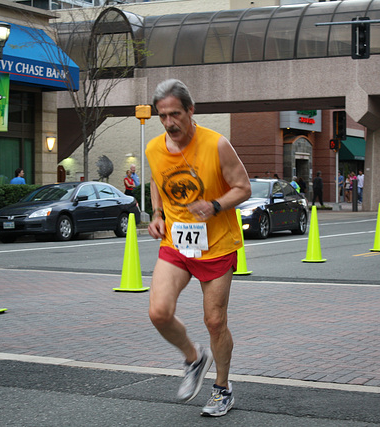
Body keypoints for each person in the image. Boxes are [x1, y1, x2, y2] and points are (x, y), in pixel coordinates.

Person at [145, 79, 251, 417]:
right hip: (176, 241)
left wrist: (215, 205)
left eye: (175, 114)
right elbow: (156, 181)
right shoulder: (153, 149)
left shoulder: (216, 144)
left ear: (191, 111)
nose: (169, 123)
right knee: (158, 312)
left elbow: (243, 187)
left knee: (214, 320)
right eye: (162, 116)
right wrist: (158, 214)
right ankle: (194, 358)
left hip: (217, 244)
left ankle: (222, 389)